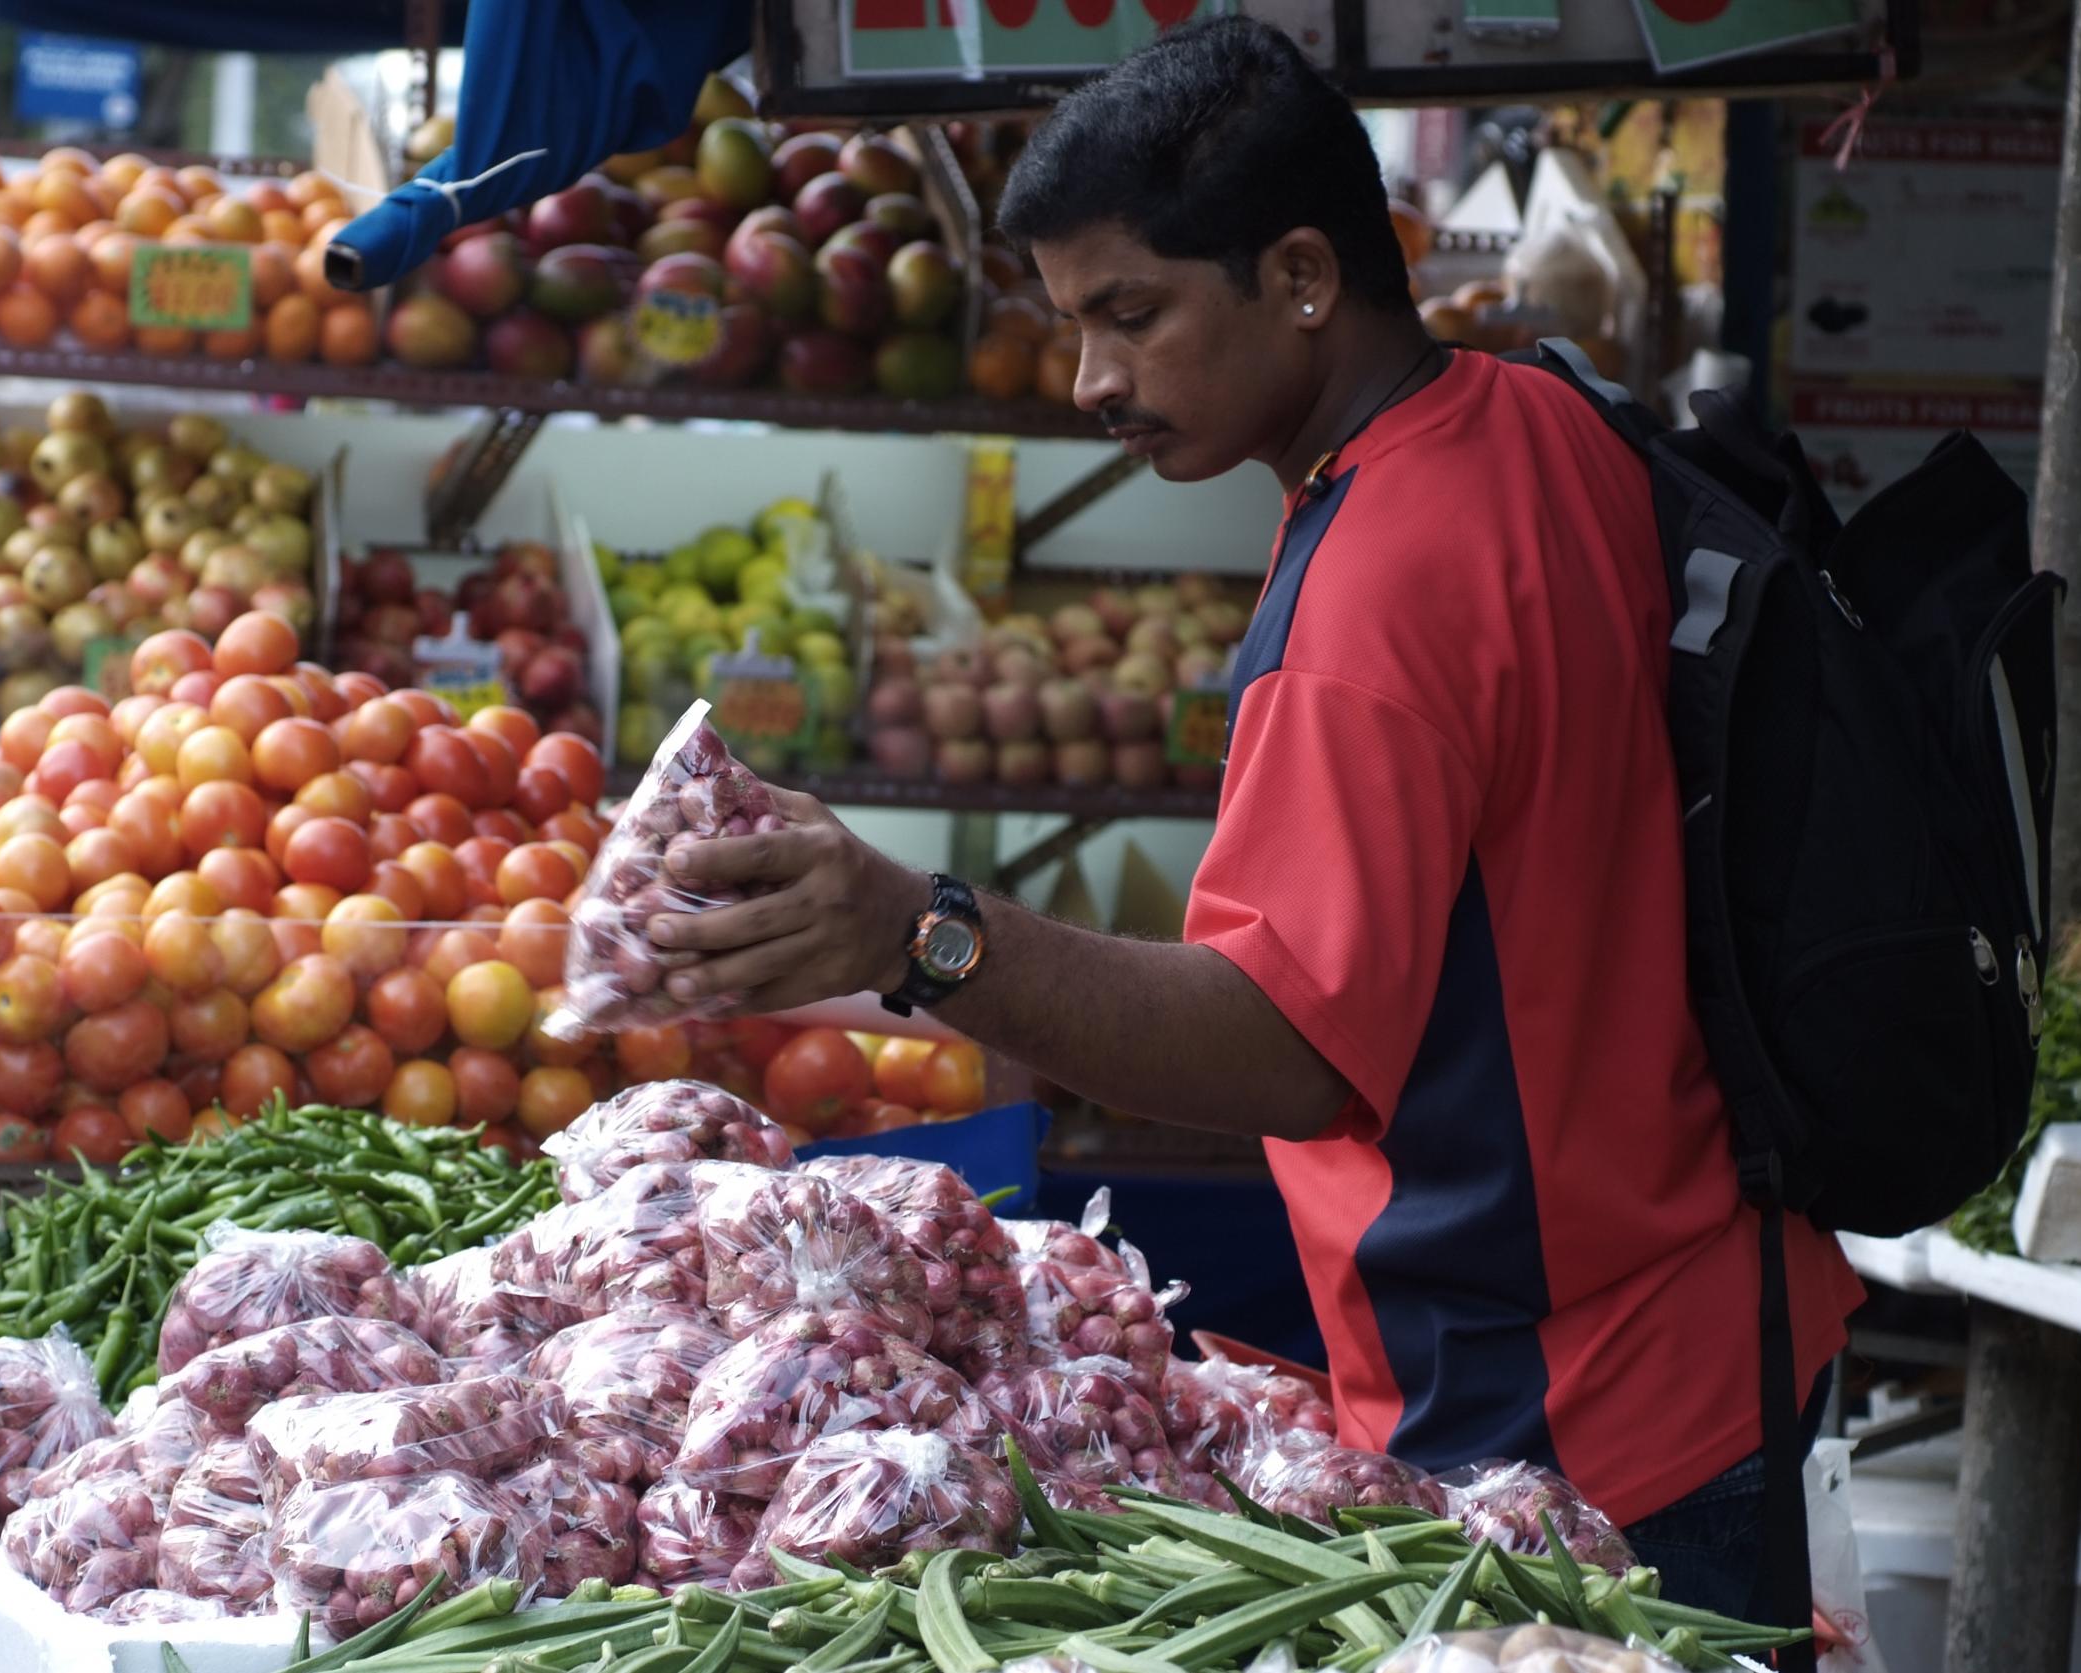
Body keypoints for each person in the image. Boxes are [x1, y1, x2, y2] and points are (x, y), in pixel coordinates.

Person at [642, 17, 1860, 1624]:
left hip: (1567, 1436)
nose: (1092, 381)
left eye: (1131, 317)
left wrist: (919, 932)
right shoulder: (1541, 418)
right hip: (1720, 1328)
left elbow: (1286, 1045)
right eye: (1073, 324)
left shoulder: (1370, 599)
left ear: (1301, 276)